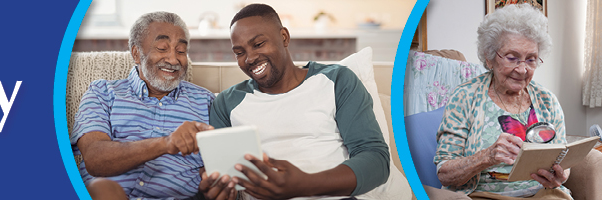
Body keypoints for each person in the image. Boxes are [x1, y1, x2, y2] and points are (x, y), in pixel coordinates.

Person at [200, 4, 390, 199]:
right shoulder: (226, 103)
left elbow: (376, 160)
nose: (250, 58)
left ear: (284, 37)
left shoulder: (337, 80)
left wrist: (306, 185)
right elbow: (226, 179)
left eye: (258, 44)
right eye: (240, 52)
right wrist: (220, 192)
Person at [433, 4, 602, 199]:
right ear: (489, 58)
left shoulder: (547, 100)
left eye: (531, 59)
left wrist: (561, 175)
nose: (522, 69)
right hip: (485, 194)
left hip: (542, 193)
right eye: (512, 58)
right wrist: (487, 156)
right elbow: (445, 173)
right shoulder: (464, 97)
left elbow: (562, 160)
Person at [72, 11, 215, 200]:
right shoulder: (102, 93)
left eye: (181, 51)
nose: (173, 60)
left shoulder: (206, 101)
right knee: (102, 189)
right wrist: (166, 143)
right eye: (162, 48)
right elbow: (95, 158)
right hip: (109, 195)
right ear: (136, 53)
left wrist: (211, 185)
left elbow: (215, 168)